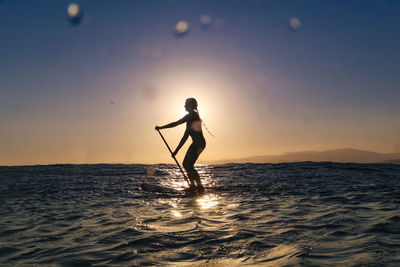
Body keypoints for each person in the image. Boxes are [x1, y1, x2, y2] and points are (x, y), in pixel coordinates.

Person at [155, 98, 206, 193]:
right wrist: (176, 151)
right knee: (187, 164)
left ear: (190, 106)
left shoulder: (193, 116)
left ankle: (198, 186)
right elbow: (182, 132)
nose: (184, 106)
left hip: (199, 144)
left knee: (188, 164)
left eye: (186, 104)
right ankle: (195, 186)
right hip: (196, 143)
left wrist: (161, 127)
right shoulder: (189, 117)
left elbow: (180, 130)